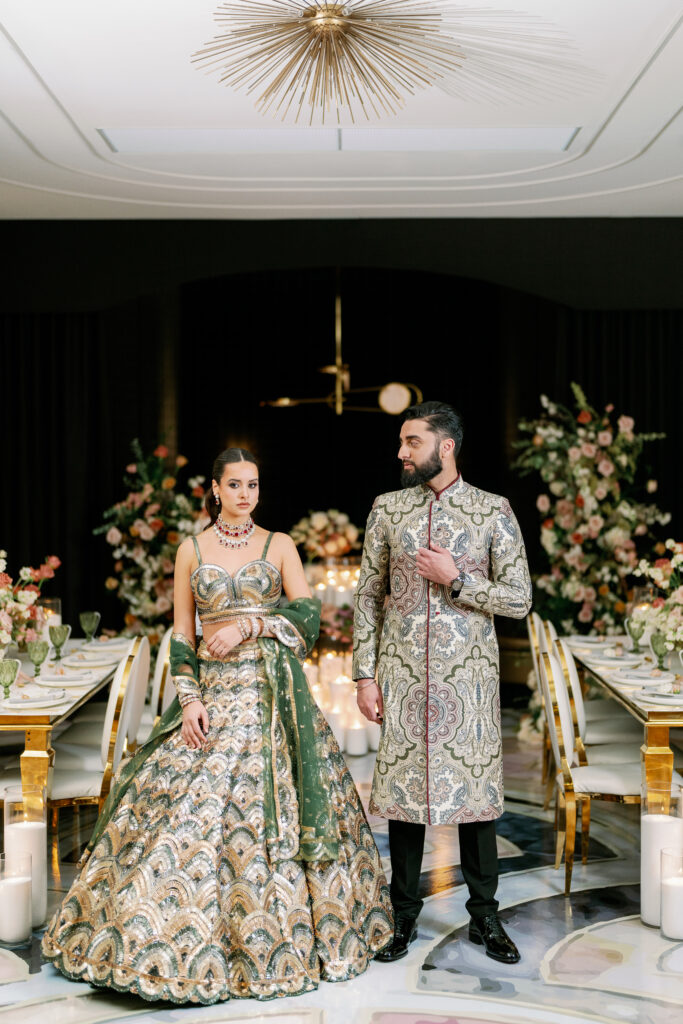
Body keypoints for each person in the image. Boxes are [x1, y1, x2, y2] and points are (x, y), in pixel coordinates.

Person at [43, 447, 392, 1003]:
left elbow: (308, 620)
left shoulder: (280, 545)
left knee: (264, 808)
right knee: (186, 805)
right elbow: (182, 634)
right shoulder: (191, 550)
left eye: (253, 484)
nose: (246, 495)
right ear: (214, 488)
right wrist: (188, 700)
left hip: (271, 695)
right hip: (212, 694)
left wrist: (251, 624)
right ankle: (162, 943)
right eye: (235, 485)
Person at [353, 402, 532, 965]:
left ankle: (486, 919)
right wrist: (364, 672)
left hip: (470, 683)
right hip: (403, 677)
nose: (401, 452)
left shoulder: (492, 511)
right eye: (402, 442)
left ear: (445, 446)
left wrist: (459, 581)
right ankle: (402, 918)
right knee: (404, 806)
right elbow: (367, 594)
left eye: (412, 442)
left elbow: (520, 599)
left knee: (477, 804)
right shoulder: (387, 509)